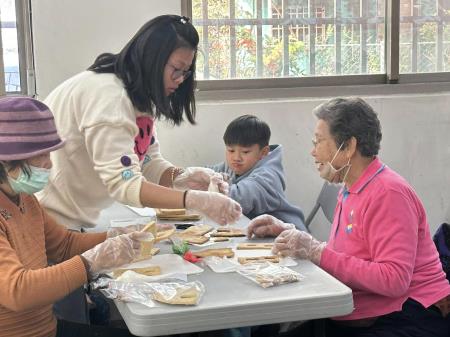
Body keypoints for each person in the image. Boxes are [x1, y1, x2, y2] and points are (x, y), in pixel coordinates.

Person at [247, 97, 450, 337]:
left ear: (349, 147)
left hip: (408, 314)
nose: (313, 151)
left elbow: (394, 279)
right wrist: (289, 233)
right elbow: (347, 256)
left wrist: (316, 251)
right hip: (364, 311)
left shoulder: (388, 193)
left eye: (319, 141)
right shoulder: (351, 186)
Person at [36, 14, 241, 230]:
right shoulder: (109, 99)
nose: (180, 79)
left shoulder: (137, 99)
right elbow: (125, 183)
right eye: (176, 70)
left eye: (185, 72)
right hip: (49, 220)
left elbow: (146, 161)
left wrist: (181, 177)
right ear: (152, 59)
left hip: (71, 220)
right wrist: (192, 200)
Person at [0, 97, 153, 337]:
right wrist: (90, 263)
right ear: (6, 159)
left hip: (47, 329)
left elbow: (63, 245)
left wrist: (112, 237)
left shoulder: (26, 199)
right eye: (40, 156)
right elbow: (17, 291)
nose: (48, 165)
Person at [208, 115, 306, 231]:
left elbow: (238, 198)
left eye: (245, 152)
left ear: (263, 152)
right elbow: (206, 172)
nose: (236, 157)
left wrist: (195, 192)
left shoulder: (268, 176)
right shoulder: (234, 166)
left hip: (287, 239)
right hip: (258, 235)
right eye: (231, 150)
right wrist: (185, 174)